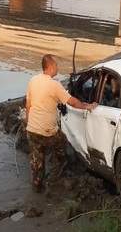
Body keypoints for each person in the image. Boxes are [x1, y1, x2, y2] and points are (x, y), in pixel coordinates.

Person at [25, 54, 96, 192]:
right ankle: (55, 179)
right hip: (47, 131)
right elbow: (72, 101)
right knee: (61, 146)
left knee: (37, 160)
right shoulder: (54, 85)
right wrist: (87, 106)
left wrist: (28, 122)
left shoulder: (33, 80)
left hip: (32, 129)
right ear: (50, 66)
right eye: (56, 65)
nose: (58, 67)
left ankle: (37, 186)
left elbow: (28, 105)